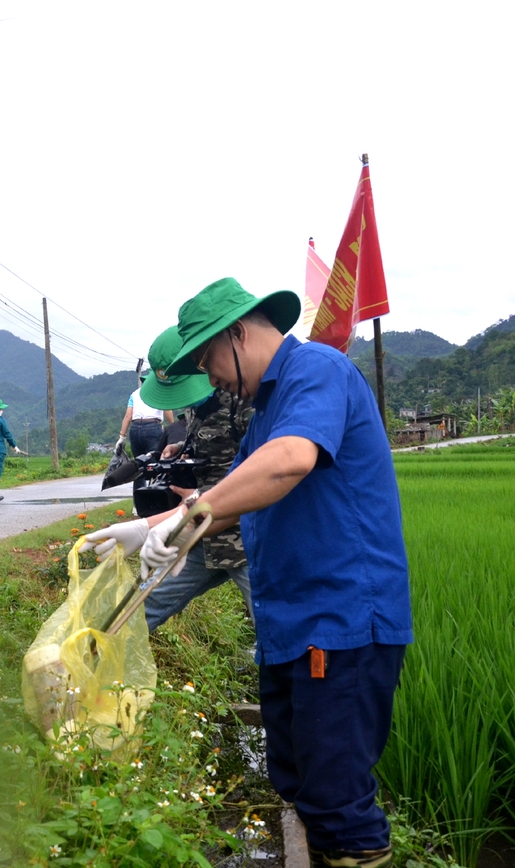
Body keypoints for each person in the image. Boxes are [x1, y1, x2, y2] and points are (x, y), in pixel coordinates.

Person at [92, 278, 413, 868]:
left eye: (207, 359)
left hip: (339, 621)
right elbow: (223, 498)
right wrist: (153, 527)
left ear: (237, 333)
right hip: (292, 622)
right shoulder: (266, 410)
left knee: (337, 796)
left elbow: (290, 461)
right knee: (296, 776)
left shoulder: (316, 371)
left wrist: (191, 515)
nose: (208, 376)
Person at [124, 328, 253, 630]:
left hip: (248, 541)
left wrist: (185, 506)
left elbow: (263, 471)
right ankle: (87, 667)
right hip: (202, 537)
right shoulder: (196, 405)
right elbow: (212, 441)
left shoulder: (245, 398)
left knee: (278, 634)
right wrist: (182, 447)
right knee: (142, 608)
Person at [118, 382, 174, 459]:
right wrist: (173, 426)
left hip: (135, 429)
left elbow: (128, 416)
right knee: (154, 461)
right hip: (153, 428)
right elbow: (167, 410)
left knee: (139, 462)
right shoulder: (159, 391)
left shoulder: (135, 394)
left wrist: (122, 437)